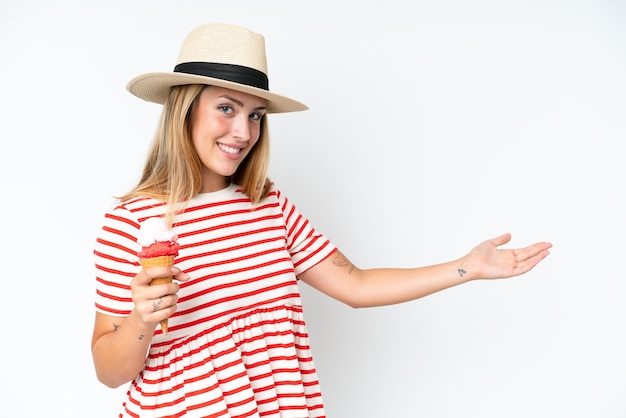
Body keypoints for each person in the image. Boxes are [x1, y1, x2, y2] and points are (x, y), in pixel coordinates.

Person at [91, 23, 552, 418]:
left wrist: (467, 268)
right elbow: (109, 372)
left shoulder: (269, 206)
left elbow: (356, 285)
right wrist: (141, 320)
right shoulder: (131, 222)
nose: (244, 131)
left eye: (256, 115)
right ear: (185, 109)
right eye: (226, 108)